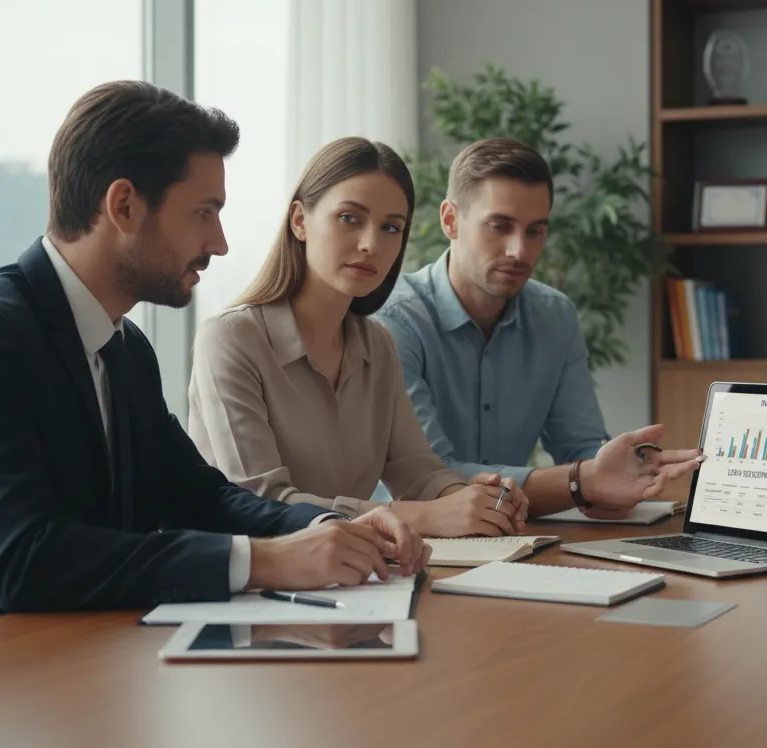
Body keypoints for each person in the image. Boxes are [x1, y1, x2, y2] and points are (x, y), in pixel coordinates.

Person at [0, 82, 427, 650]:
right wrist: (266, 560)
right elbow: (23, 560)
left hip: (70, 658)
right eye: (204, 212)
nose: (219, 242)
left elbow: (201, 496)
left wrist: (322, 526)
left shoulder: (125, 351)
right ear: (123, 205)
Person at [187, 137, 528, 538]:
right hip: (252, 584)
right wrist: (414, 517)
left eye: (390, 227)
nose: (371, 244)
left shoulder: (377, 343)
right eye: (350, 218)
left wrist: (474, 499)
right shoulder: (230, 339)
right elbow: (259, 501)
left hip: (357, 578)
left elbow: (415, 469)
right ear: (300, 220)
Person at [373, 137, 703, 520]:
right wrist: (584, 482)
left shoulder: (554, 316)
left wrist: (620, 475)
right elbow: (431, 478)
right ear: (450, 220)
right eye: (500, 226)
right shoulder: (394, 320)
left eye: (535, 231)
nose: (520, 251)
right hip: (403, 544)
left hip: (513, 534)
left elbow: (580, 450)